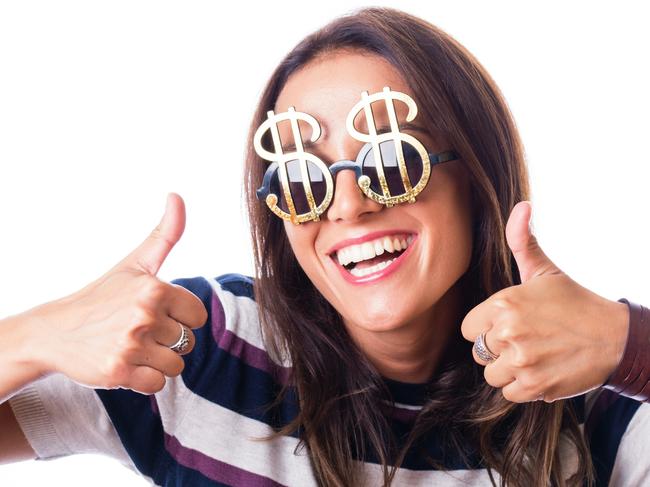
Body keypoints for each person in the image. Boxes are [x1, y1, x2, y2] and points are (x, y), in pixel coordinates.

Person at [1, 6, 648, 487]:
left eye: (393, 161)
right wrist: (36, 336)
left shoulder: (593, 405)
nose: (347, 205)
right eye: (303, 180)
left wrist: (630, 344)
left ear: (476, 178)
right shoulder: (199, 348)